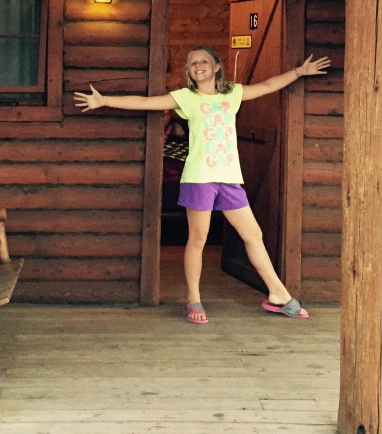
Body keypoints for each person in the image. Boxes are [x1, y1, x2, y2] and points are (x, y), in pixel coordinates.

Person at [74, 46, 331, 324]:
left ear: (216, 66)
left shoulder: (232, 94)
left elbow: (267, 86)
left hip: (229, 178)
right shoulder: (186, 97)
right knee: (198, 239)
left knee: (253, 235)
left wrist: (299, 72)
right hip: (199, 177)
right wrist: (104, 100)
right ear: (189, 70)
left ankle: (278, 294)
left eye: (204, 61)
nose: (198, 65)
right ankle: (193, 300)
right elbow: (146, 102)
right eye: (192, 62)